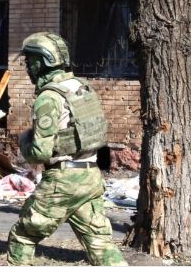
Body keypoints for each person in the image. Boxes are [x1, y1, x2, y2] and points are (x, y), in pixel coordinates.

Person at [7, 32, 128, 266]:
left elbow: (40, 153)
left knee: (22, 236)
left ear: (43, 61)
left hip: (63, 181)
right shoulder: (82, 88)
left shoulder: (49, 97)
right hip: (91, 177)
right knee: (100, 244)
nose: (28, 67)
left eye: (30, 61)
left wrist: (24, 141)